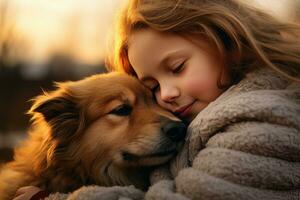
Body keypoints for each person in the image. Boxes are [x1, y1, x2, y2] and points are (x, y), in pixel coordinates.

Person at [13, 0, 300, 199]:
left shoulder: (262, 118)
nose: (166, 95)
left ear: (227, 41)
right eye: (152, 89)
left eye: (177, 68)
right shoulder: (204, 114)